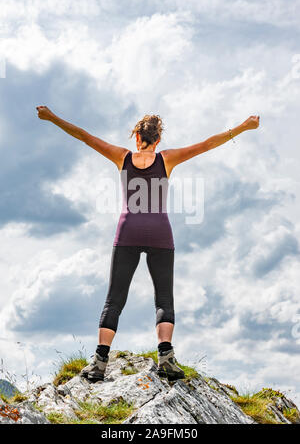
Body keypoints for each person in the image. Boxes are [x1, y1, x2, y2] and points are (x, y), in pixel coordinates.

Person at [36, 105, 260, 381]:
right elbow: (207, 143)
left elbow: (84, 135)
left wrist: (52, 117)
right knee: (164, 298)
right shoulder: (167, 159)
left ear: (137, 138)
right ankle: (165, 359)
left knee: (114, 300)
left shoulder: (122, 157)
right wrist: (243, 126)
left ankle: (99, 364)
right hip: (160, 234)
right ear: (158, 140)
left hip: (127, 232)